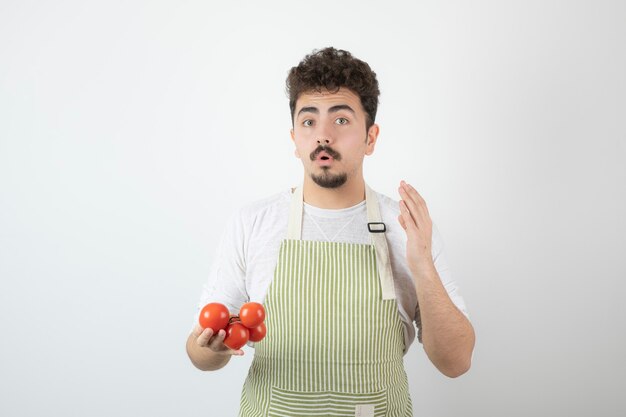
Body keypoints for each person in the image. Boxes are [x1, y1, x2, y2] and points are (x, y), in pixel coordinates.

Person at [186, 47, 475, 417]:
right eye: (309, 122)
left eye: (340, 121)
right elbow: (199, 353)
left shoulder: (406, 228)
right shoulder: (253, 222)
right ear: (294, 139)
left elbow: (456, 362)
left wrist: (422, 266)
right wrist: (211, 349)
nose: (323, 135)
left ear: (371, 137)